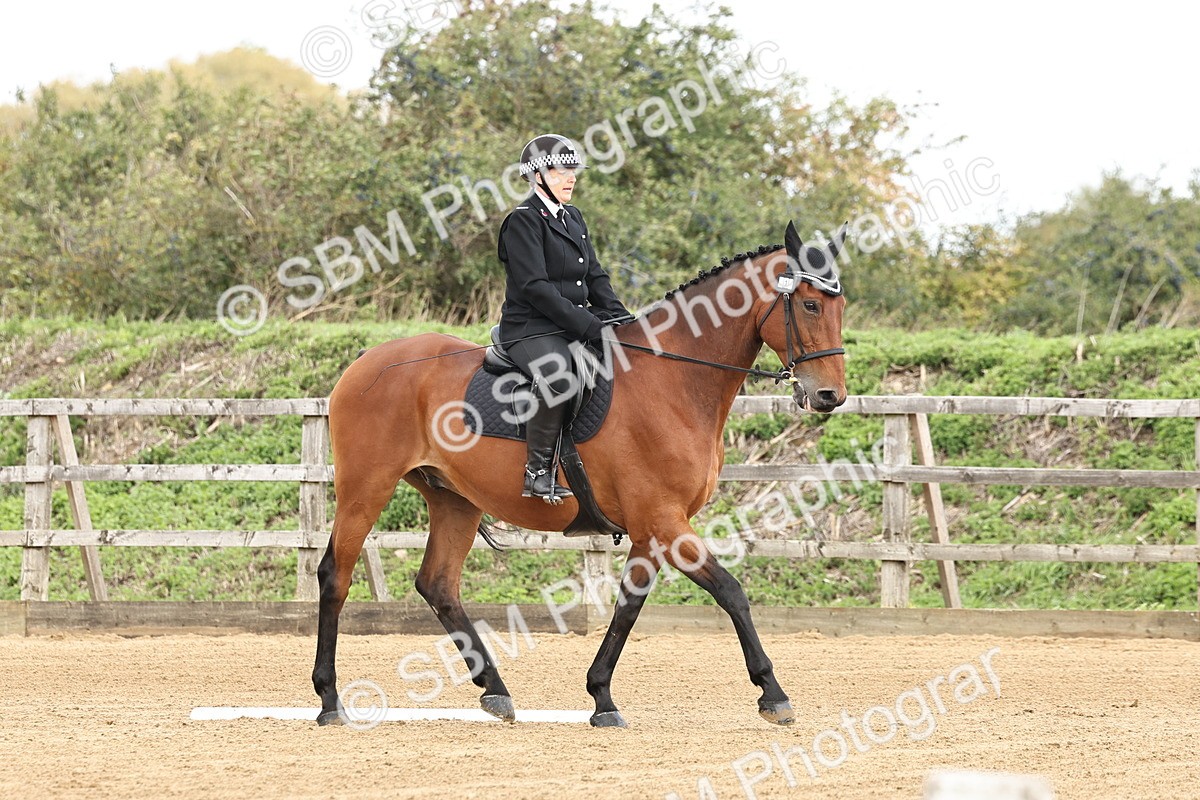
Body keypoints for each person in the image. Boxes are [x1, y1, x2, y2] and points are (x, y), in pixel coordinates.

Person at [496, 134, 631, 503]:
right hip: (530, 328)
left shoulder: (573, 217)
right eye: (561, 170)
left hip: (571, 323)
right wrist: (590, 326)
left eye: (573, 170)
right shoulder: (522, 222)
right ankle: (537, 472)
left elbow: (596, 276)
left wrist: (621, 319)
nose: (571, 177)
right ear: (538, 175)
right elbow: (537, 288)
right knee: (560, 376)